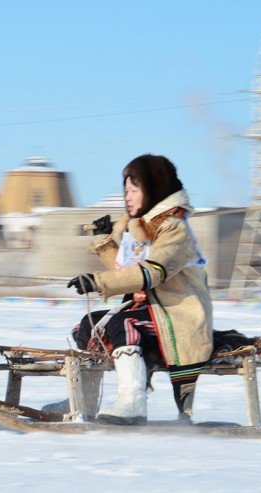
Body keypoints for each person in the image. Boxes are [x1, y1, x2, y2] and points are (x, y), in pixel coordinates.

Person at [64, 154, 214, 425]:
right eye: (126, 191)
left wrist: (99, 282)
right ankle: (82, 400)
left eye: (134, 190)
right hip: (150, 311)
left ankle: (133, 401)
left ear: (154, 190)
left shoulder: (174, 230)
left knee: (124, 323)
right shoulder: (142, 231)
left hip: (178, 316)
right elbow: (126, 273)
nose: (128, 197)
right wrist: (109, 239)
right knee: (88, 325)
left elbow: (151, 273)